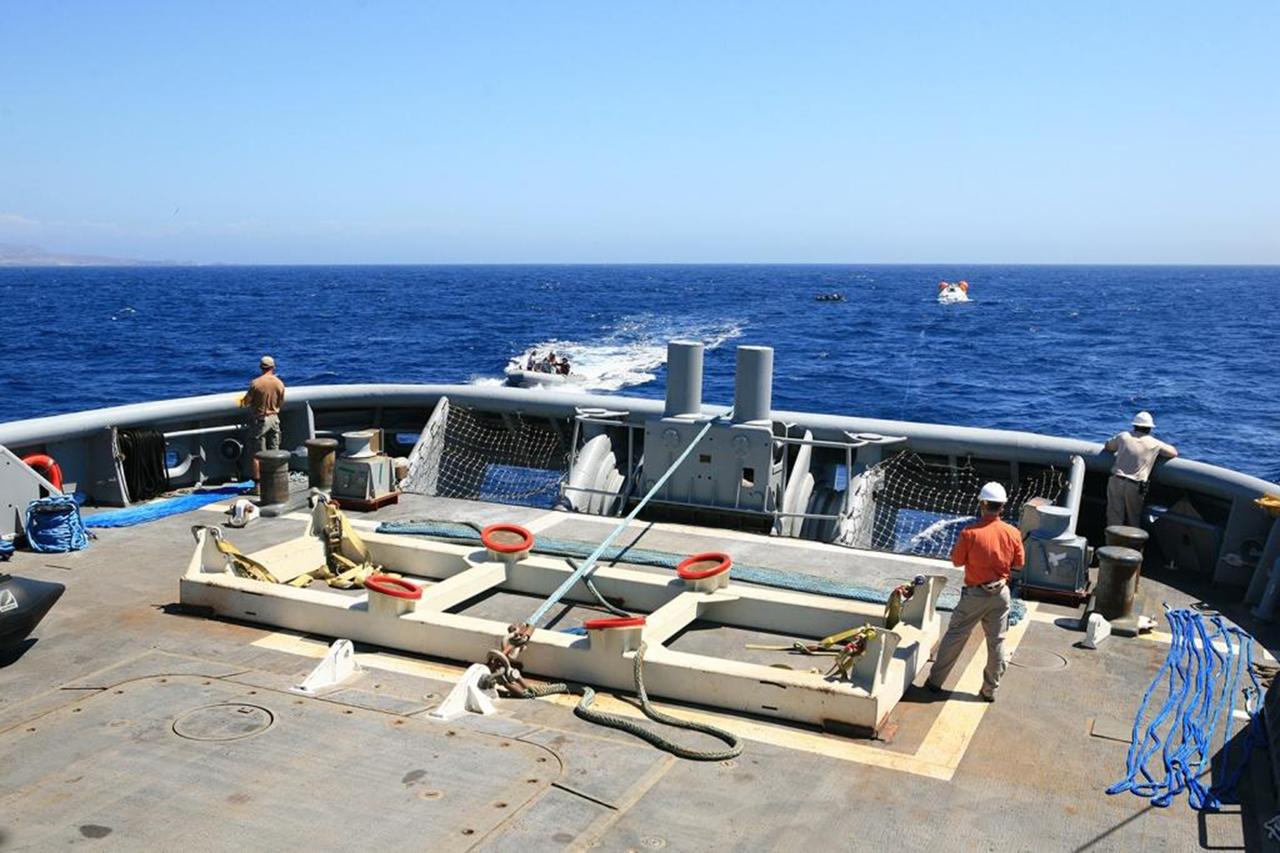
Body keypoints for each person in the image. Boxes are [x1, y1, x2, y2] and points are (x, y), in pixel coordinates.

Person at [925, 482, 1025, 702]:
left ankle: (935, 683)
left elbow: (956, 561)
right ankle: (990, 690)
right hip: (1001, 594)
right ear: (1002, 507)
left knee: (955, 635)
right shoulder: (1013, 533)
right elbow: (1019, 564)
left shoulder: (970, 533)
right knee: (997, 642)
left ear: (982, 504)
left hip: (974, 595)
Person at [1103, 411, 1178, 527]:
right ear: (1149, 428)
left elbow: (1108, 446)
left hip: (1116, 481)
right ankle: (1131, 545)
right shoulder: (1154, 443)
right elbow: (1173, 452)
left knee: (1114, 518)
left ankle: (1111, 543)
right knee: (1133, 519)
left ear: (1134, 425)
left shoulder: (1123, 436)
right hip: (1135, 485)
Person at [240, 355, 285, 484]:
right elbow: (281, 402)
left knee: (257, 454)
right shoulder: (279, 383)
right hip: (275, 419)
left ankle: (258, 485)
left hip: (260, 421)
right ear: (273, 367)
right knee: (274, 451)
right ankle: (275, 482)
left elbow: (246, 401)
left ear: (261, 368)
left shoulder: (256, 383)